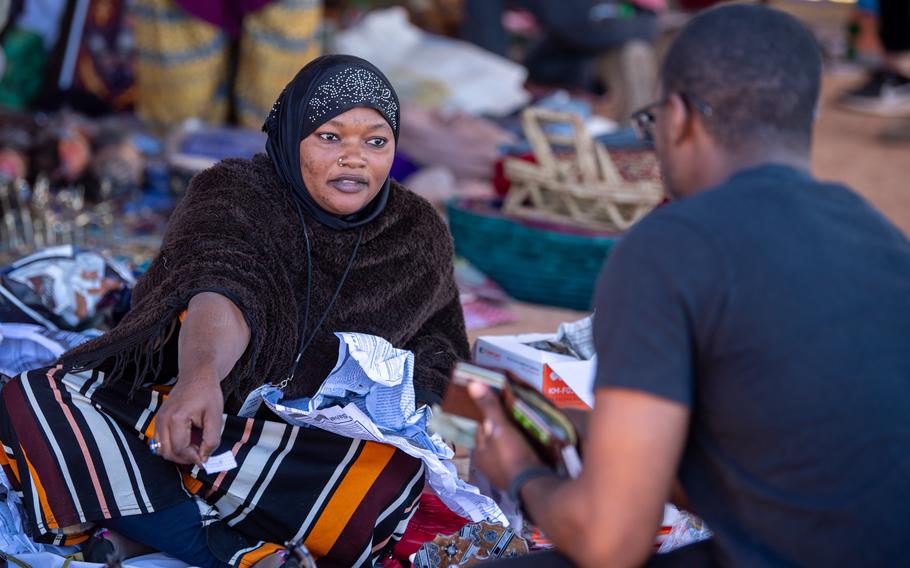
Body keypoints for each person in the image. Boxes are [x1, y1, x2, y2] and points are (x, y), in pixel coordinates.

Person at [469, 5, 910, 567]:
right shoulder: (881, 237)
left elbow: (609, 542)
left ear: (678, 117)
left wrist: (521, 470)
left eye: (651, 122)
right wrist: (586, 430)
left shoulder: (671, 244)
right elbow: (791, 466)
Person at [0, 54, 469, 568]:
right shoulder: (234, 191)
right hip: (197, 413)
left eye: (375, 141)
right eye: (330, 138)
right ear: (291, 137)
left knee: (388, 475)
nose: (354, 159)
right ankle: (242, 553)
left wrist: (408, 413)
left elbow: (441, 345)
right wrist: (200, 377)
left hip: (305, 456)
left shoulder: (416, 231)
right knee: (39, 397)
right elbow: (223, 281)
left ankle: (146, 522)